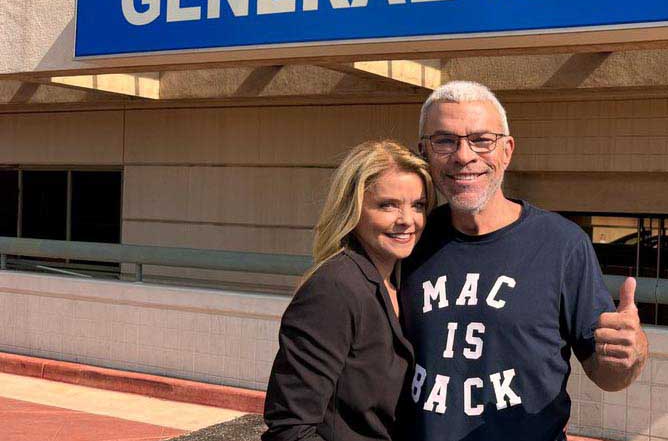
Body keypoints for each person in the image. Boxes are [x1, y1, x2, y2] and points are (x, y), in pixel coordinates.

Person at [399, 81, 648, 441]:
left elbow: (607, 375)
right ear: (424, 152)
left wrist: (630, 355)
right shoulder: (408, 241)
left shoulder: (562, 244)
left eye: (482, 140)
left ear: (507, 151)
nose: (464, 156)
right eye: (445, 141)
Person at [263, 141, 433, 441]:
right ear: (353, 209)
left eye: (418, 205)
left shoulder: (403, 281)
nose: (407, 220)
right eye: (388, 205)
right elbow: (290, 427)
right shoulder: (334, 288)